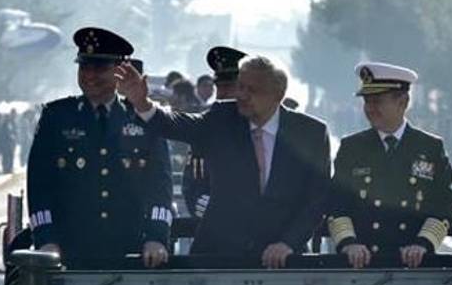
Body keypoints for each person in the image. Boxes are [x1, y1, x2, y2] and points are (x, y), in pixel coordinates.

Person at [116, 52, 330, 267]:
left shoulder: (310, 133)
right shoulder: (222, 117)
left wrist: (288, 243)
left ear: (278, 93)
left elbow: (316, 199)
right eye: (241, 86)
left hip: (283, 260)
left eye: (252, 90)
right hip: (220, 257)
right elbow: (178, 125)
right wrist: (142, 103)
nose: (242, 95)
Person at [325, 62, 452, 285]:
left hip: (410, 271)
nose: (370, 108)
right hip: (364, 271)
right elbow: (336, 206)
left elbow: (443, 207)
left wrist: (423, 244)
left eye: (378, 101)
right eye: (367, 101)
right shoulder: (353, 147)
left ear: (402, 101)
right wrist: (349, 243)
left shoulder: (429, 147)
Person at [26, 27, 174, 270]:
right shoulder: (57, 117)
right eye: (84, 67)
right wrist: (46, 240)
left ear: (119, 71)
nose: (90, 75)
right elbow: (39, 186)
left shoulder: (143, 116)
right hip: (68, 251)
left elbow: (160, 185)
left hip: (131, 251)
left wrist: (156, 237)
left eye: (100, 68)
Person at [181, 46, 246, 220]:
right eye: (220, 87)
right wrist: (204, 203)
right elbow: (193, 181)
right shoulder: (206, 125)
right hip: (213, 221)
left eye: (229, 87)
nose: (223, 94)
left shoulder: (259, 124)